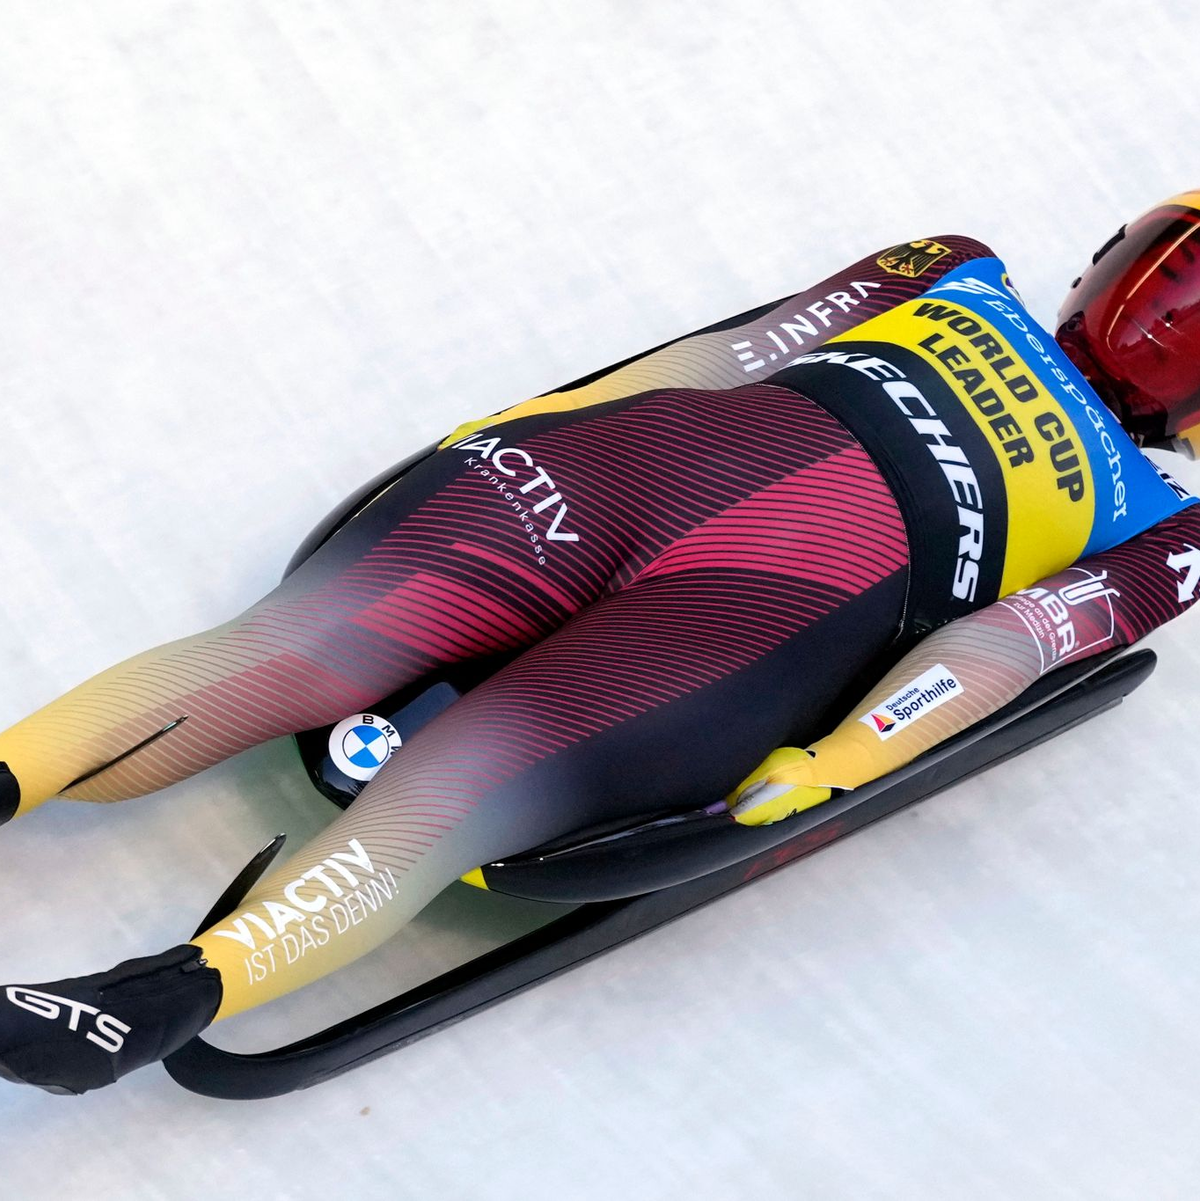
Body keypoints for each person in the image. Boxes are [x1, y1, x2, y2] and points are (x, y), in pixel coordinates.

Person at [2, 197, 1199, 1096]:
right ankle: (156, 1002)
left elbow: (711, 362)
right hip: (757, 608)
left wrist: (503, 438)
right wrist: (839, 758)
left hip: (611, 475)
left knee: (290, 649)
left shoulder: (951, 269)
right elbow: (1011, 645)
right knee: (448, 796)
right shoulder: (1168, 522)